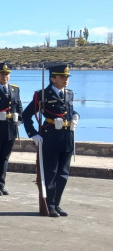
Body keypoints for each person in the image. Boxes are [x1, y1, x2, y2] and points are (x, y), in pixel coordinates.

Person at [22, 63, 80, 217]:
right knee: (51, 173)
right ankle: (49, 205)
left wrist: (76, 116)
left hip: (67, 137)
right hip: (50, 138)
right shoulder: (42, 95)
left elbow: (70, 110)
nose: (66, 79)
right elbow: (26, 115)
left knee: (63, 174)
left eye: (67, 76)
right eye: (62, 76)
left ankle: (57, 203)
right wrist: (33, 134)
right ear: (53, 78)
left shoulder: (69, 94)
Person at [0, 61, 22, 195]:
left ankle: (2, 184)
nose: (5, 77)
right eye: (2, 74)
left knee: (5, 158)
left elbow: (19, 106)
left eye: (7, 74)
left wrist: (19, 120)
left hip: (11, 127)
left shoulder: (15, 89)